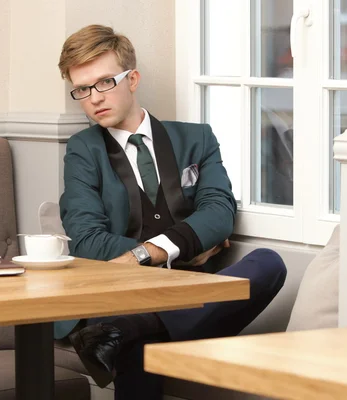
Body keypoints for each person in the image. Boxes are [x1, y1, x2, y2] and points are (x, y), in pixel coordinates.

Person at [56, 24, 287, 400]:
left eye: (104, 83)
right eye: (82, 89)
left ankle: (119, 333)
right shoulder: (83, 151)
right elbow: (87, 239)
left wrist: (147, 253)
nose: (93, 98)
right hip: (120, 294)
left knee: (268, 263)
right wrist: (182, 250)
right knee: (139, 339)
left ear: (132, 79)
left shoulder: (196, 138)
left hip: (189, 293)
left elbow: (218, 212)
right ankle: (128, 329)